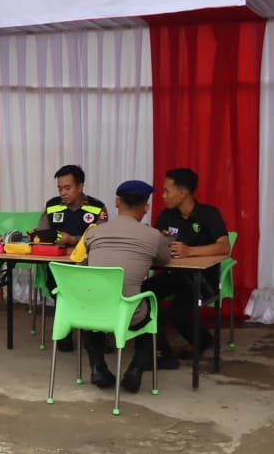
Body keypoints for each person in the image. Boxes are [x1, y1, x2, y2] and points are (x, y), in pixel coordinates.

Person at [80, 181, 172, 391]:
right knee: (151, 305)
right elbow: (164, 260)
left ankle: (98, 367)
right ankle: (135, 369)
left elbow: (84, 259)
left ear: (116, 202)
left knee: (94, 301)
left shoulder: (94, 232)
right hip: (129, 315)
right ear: (146, 207)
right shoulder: (153, 236)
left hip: (94, 313)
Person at [147, 167, 231, 362]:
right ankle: (160, 350)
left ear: (183, 193)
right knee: (142, 293)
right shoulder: (167, 216)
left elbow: (223, 247)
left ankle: (202, 340)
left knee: (178, 311)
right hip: (173, 275)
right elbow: (156, 240)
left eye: (168, 191)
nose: (164, 196)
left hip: (201, 279)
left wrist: (189, 251)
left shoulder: (209, 214)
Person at [35, 164, 110, 351]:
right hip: (59, 265)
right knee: (58, 286)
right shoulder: (52, 206)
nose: (62, 193)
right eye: (59, 188)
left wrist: (73, 239)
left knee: (92, 291)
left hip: (88, 264)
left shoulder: (97, 208)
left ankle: (96, 336)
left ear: (80, 186)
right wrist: (47, 238)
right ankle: (66, 331)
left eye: (67, 188)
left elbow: (101, 239)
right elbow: (43, 232)